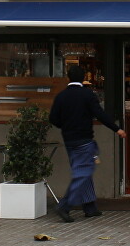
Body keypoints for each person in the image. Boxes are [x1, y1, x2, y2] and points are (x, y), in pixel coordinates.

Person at [48, 65, 125, 222]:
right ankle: (65, 205)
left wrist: (66, 126)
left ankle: (89, 206)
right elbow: (100, 114)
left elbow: (53, 118)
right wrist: (117, 129)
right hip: (84, 139)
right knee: (83, 172)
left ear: (68, 78)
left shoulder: (61, 96)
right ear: (83, 78)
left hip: (69, 140)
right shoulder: (87, 94)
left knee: (82, 171)